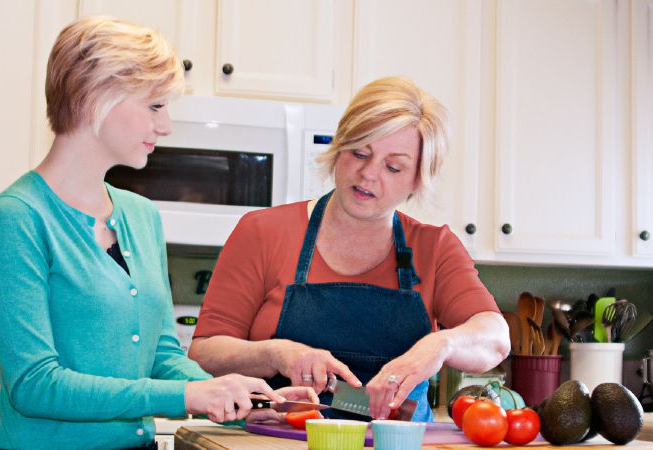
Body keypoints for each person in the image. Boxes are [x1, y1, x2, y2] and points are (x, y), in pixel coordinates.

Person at [0, 16, 315, 450]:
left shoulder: (140, 215)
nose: (166, 125)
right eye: (155, 105)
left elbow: (162, 356)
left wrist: (242, 396)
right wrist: (188, 395)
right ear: (97, 96)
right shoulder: (18, 218)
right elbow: (36, 385)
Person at [189, 76, 510, 422]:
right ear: (339, 147)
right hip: (279, 440)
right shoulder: (263, 233)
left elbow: (494, 337)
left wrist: (440, 345)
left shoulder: (435, 248)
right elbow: (205, 351)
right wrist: (278, 354)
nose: (368, 173)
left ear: (418, 179)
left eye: (393, 167)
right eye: (359, 152)